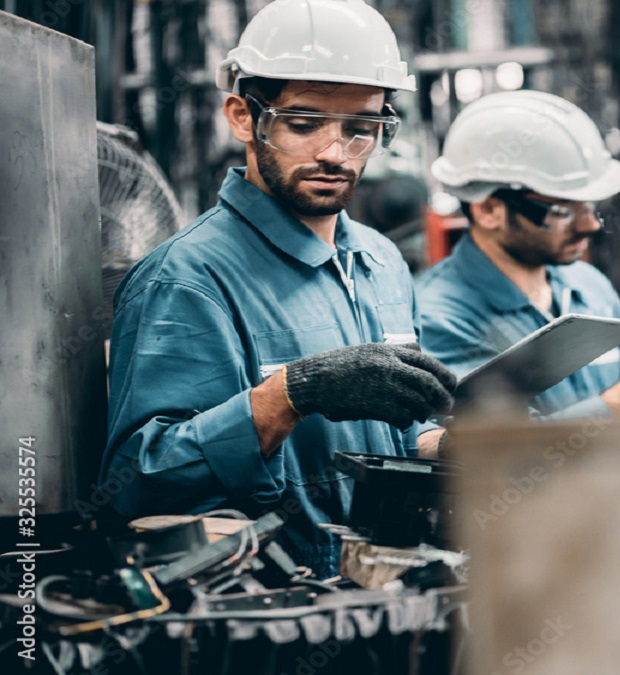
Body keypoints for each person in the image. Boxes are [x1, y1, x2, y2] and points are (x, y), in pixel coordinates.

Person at [101, 0, 455, 579]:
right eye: (304, 123)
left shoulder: (380, 261)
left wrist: (452, 447)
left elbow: (398, 435)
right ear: (243, 117)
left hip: (386, 597)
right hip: (269, 611)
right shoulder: (187, 279)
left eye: (360, 129)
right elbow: (136, 485)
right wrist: (288, 396)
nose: (335, 153)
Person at [415, 90, 620, 419]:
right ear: (489, 210)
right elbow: (489, 443)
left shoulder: (589, 286)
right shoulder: (438, 318)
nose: (589, 225)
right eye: (561, 211)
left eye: (589, 206)